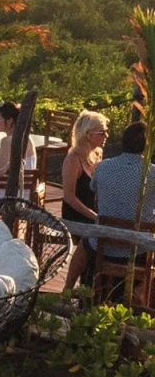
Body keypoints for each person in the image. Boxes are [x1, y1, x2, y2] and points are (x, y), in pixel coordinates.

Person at [90, 122, 155, 262]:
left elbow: (94, 190)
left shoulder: (103, 166)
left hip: (104, 242)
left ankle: (70, 282)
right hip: (140, 247)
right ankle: (144, 284)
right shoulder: (152, 172)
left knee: (84, 243)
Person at [60, 112, 108, 288]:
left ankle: (91, 289)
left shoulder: (98, 155)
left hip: (92, 211)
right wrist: (93, 215)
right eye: (101, 132)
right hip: (75, 212)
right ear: (88, 134)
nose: (106, 136)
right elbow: (69, 197)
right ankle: (71, 287)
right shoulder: (73, 159)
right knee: (92, 240)